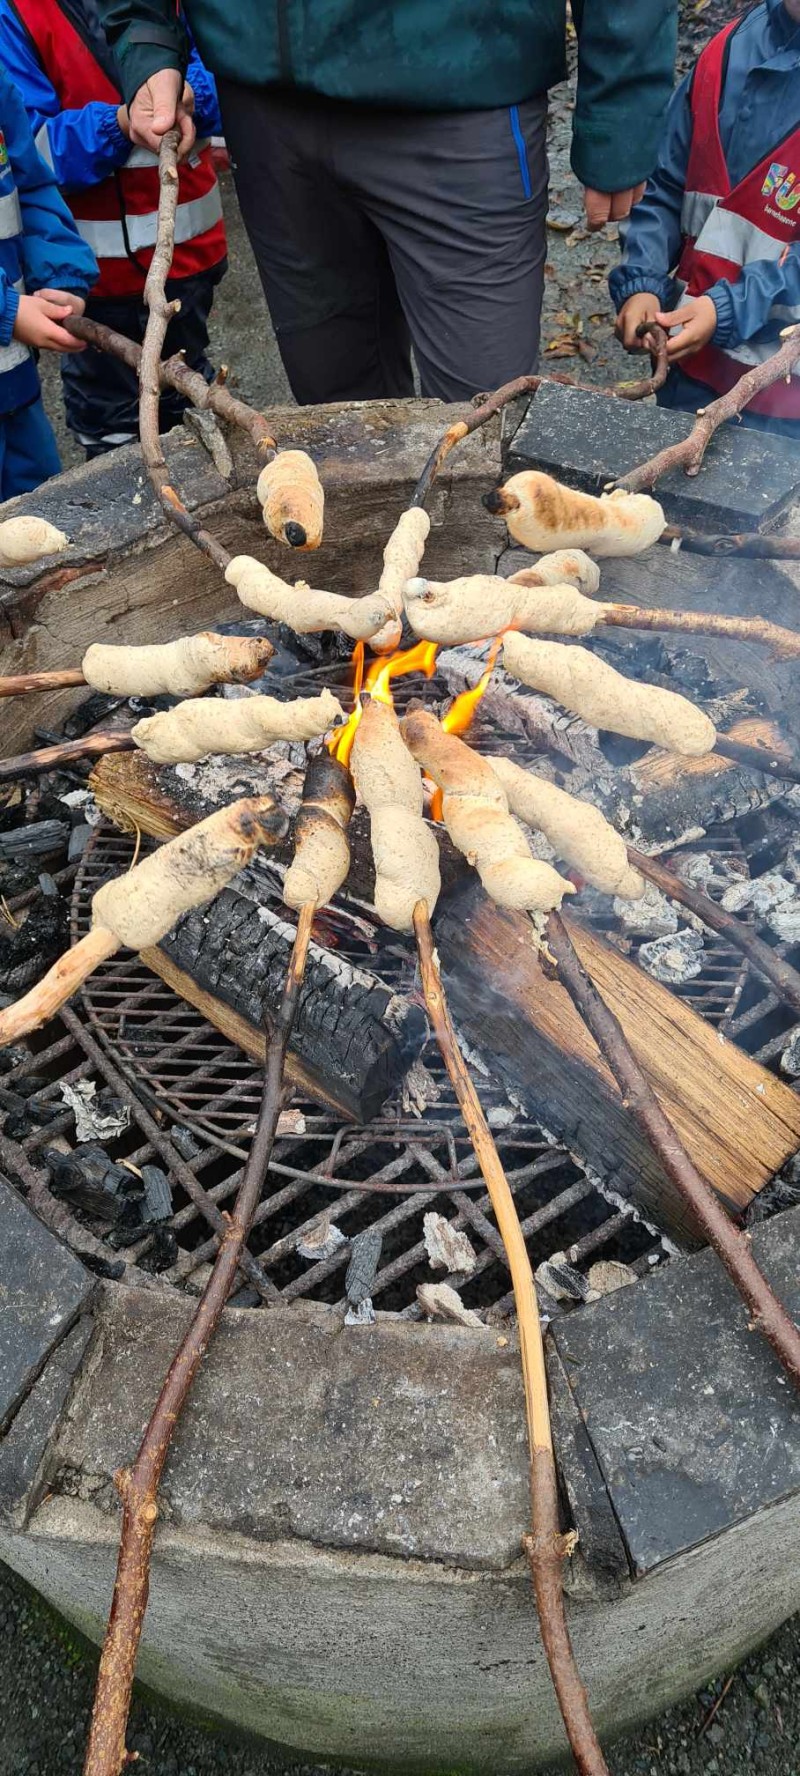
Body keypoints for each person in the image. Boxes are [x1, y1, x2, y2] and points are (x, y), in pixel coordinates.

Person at [94, 0, 678, 406]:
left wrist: (622, 108)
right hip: (265, 104)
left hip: (464, 86)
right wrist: (145, 36)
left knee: (483, 416)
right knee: (337, 413)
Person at [0, 0, 227, 457]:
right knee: (112, 437)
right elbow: (36, 146)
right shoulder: (20, 13)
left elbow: (233, 75)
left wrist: (188, 93)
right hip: (95, 282)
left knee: (188, 403)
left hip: (188, 261)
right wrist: (119, 124)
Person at [611, 0, 800, 438]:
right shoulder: (725, 55)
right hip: (689, 380)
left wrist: (729, 308)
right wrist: (642, 278)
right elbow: (662, 183)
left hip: (788, 410)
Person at [0, 58, 96, 498]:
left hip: (16, 397)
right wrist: (8, 311)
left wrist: (61, 276)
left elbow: (31, 186)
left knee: (41, 529)